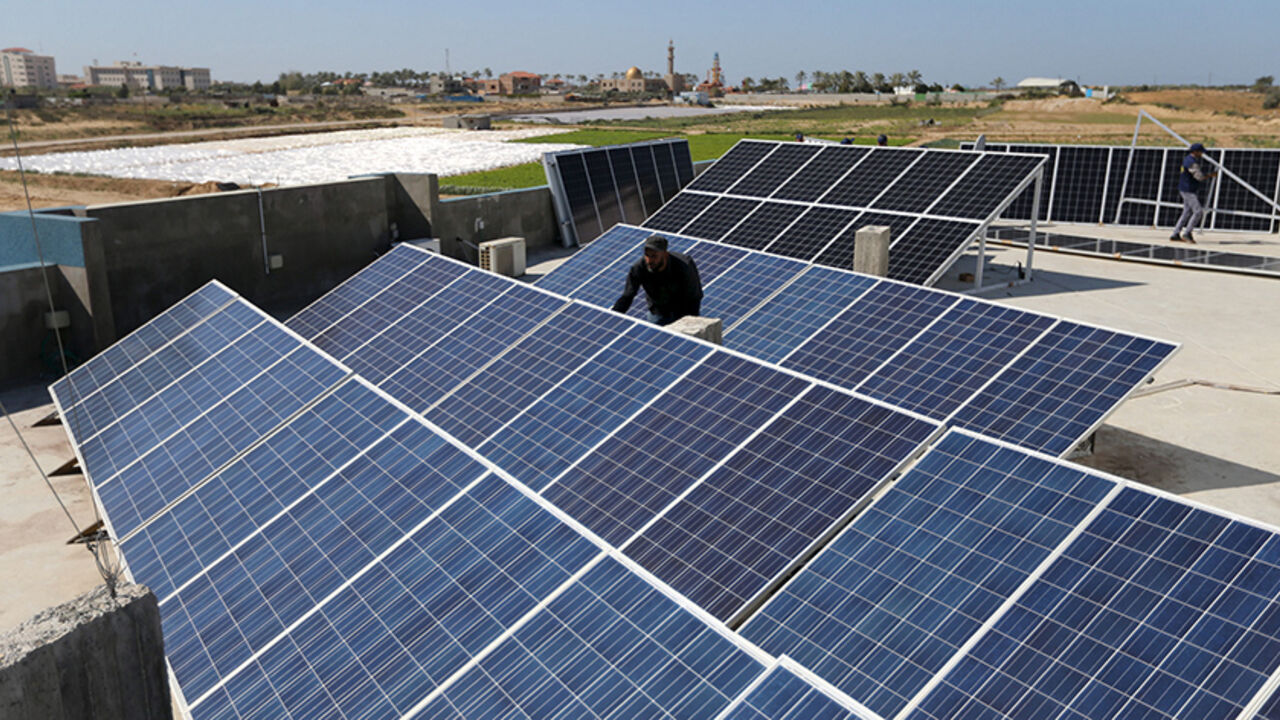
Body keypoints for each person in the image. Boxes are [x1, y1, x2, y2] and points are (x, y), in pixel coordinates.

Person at [612, 235, 703, 326]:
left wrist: (690, 323)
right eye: (647, 255)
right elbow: (628, 295)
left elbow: (694, 297)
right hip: (658, 311)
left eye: (654, 256)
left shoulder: (684, 265)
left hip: (682, 311)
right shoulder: (639, 268)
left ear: (665, 254)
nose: (649, 260)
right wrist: (613, 317)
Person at [1171, 142, 1218, 243]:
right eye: (1200, 152)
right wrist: (1211, 175)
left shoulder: (1187, 159)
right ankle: (1187, 233)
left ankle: (1175, 234)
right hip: (1188, 190)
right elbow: (1199, 177)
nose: (1202, 154)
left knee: (1187, 212)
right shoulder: (1192, 163)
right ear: (1195, 152)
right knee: (1198, 212)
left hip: (1185, 188)